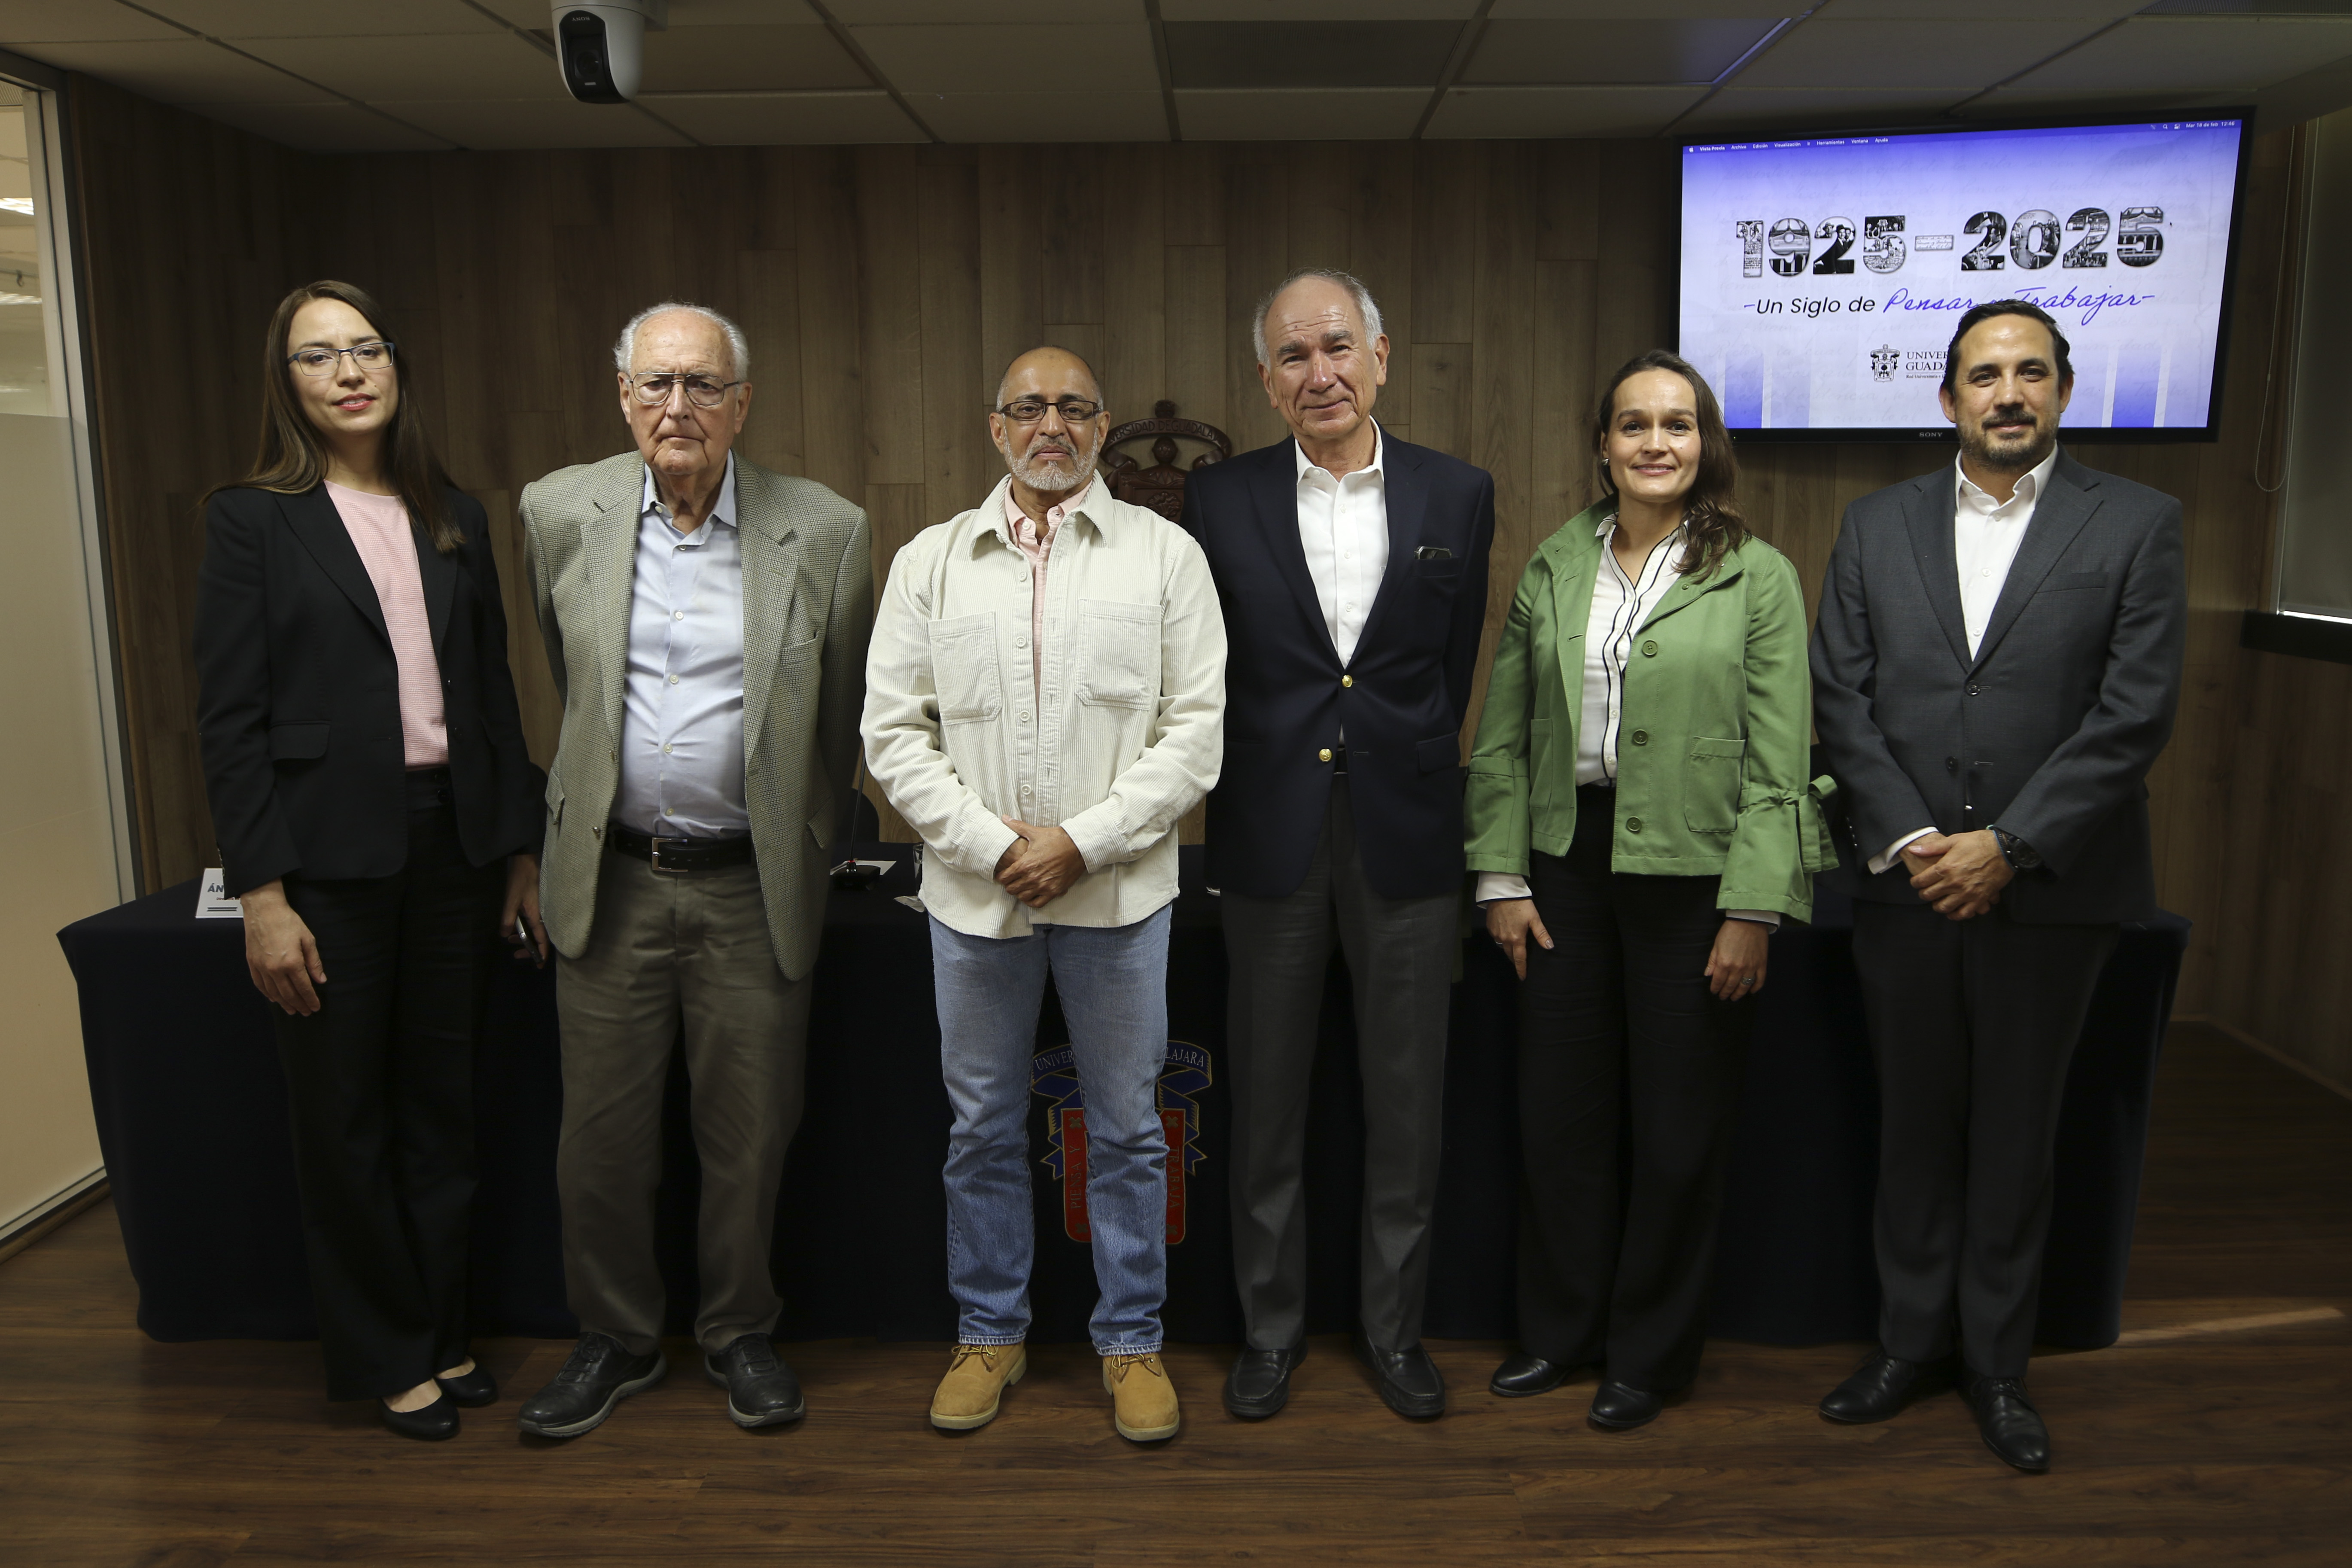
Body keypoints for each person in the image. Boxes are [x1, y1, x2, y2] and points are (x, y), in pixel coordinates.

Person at [1810, 299, 2187, 1472]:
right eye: (1984, 375)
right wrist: (1922, 840)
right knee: (1913, 1123)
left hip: (2054, 892)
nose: (2007, 393)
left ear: (2062, 391)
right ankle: (1907, 1343)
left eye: (2030, 372)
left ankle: (1996, 1365)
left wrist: (2009, 845)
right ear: (1948, 398)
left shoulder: (2137, 522)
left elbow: (2133, 712)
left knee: (2018, 1132)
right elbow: (1841, 699)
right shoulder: (1873, 524)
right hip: (1908, 884)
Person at [193, 281, 546, 1440]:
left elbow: (491, 694)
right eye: (318, 356)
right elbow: (231, 722)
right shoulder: (251, 520)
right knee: (344, 1117)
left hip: (456, 842)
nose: (348, 372)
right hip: (326, 859)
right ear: (286, 380)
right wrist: (261, 894)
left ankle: (440, 1330)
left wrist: (518, 849)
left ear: (396, 365)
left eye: (366, 349)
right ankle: (386, 1351)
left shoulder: (456, 512)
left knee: (443, 1107)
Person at [514, 302, 872, 1439]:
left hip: (750, 887)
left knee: (749, 1133)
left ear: (742, 402)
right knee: (599, 1142)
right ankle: (616, 1337)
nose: (680, 406)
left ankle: (738, 1330)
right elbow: (570, 679)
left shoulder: (825, 529)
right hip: (610, 880)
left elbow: (840, 716)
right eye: (657, 384)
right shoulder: (556, 511)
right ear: (623, 396)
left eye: (704, 385)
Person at [862, 347, 1225, 1443]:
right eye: (1029, 407)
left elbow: (1196, 731)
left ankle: (1132, 1340)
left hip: (1118, 899)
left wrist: (1080, 842)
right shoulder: (932, 561)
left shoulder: (1166, 556)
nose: (1050, 425)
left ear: (1103, 426)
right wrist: (992, 847)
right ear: (997, 427)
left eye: (1072, 407)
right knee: (980, 1127)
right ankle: (990, 1331)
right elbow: (893, 732)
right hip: (975, 905)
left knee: (1128, 1130)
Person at [1466, 350, 1821, 1431]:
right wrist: (1500, 873)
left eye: (1677, 423)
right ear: (1603, 445)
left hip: (1697, 875)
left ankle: (1649, 1356)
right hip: (1564, 866)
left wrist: (1753, 907)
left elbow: (1782, 755)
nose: (1656, 442)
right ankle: (1561, 1332)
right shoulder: (1556, 560)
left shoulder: (1756, 573)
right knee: (1560, 1117)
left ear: (1705, 444)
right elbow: (1507, 729)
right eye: (1634, 424)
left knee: (1677, 1127)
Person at [1180, 268, 1494, 1422]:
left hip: (1407, 835)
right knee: (1265, 1103)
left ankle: (1394, 1331)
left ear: (1380, 355)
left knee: (1406, 1106)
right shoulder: (1217, 500)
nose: (1320, 374)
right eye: (1293, 356)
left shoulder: (1458, 492)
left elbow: (1448, 667)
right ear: (1266, 380)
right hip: (1268, 831)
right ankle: (1268, 1332)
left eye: (1337, 348)